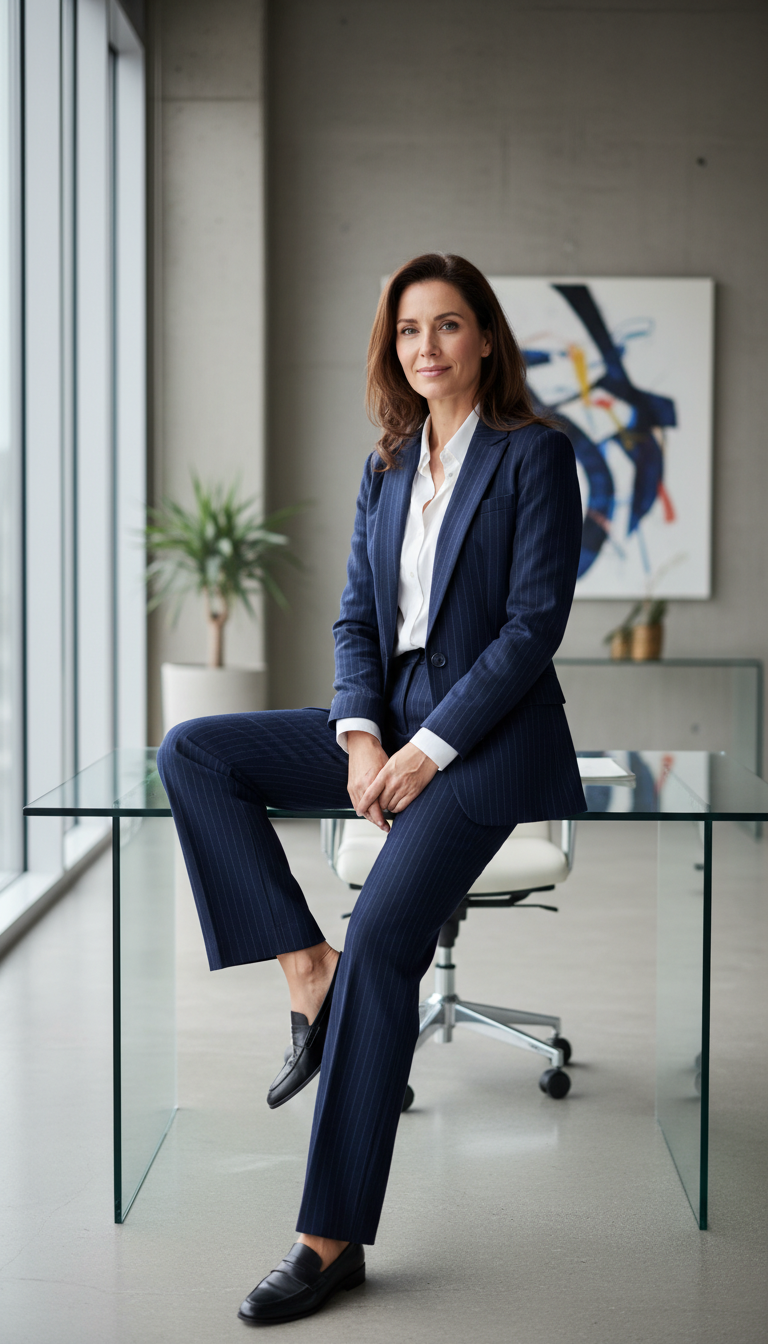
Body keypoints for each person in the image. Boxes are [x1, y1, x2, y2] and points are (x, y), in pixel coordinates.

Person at [156, 252, 587, 1327]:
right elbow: (355, 615)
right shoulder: (388, 463)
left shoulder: (537, 457)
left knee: (388, 938)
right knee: (195, 751)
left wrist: (426, 751)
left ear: (485, 337)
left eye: (447, 326)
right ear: (392, 348)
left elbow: (533, 629)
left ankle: (328, 1241)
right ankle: (309, 972)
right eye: (408, 332)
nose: (427, 348)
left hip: (488, 740)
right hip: (386, 721)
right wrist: (359, 738)